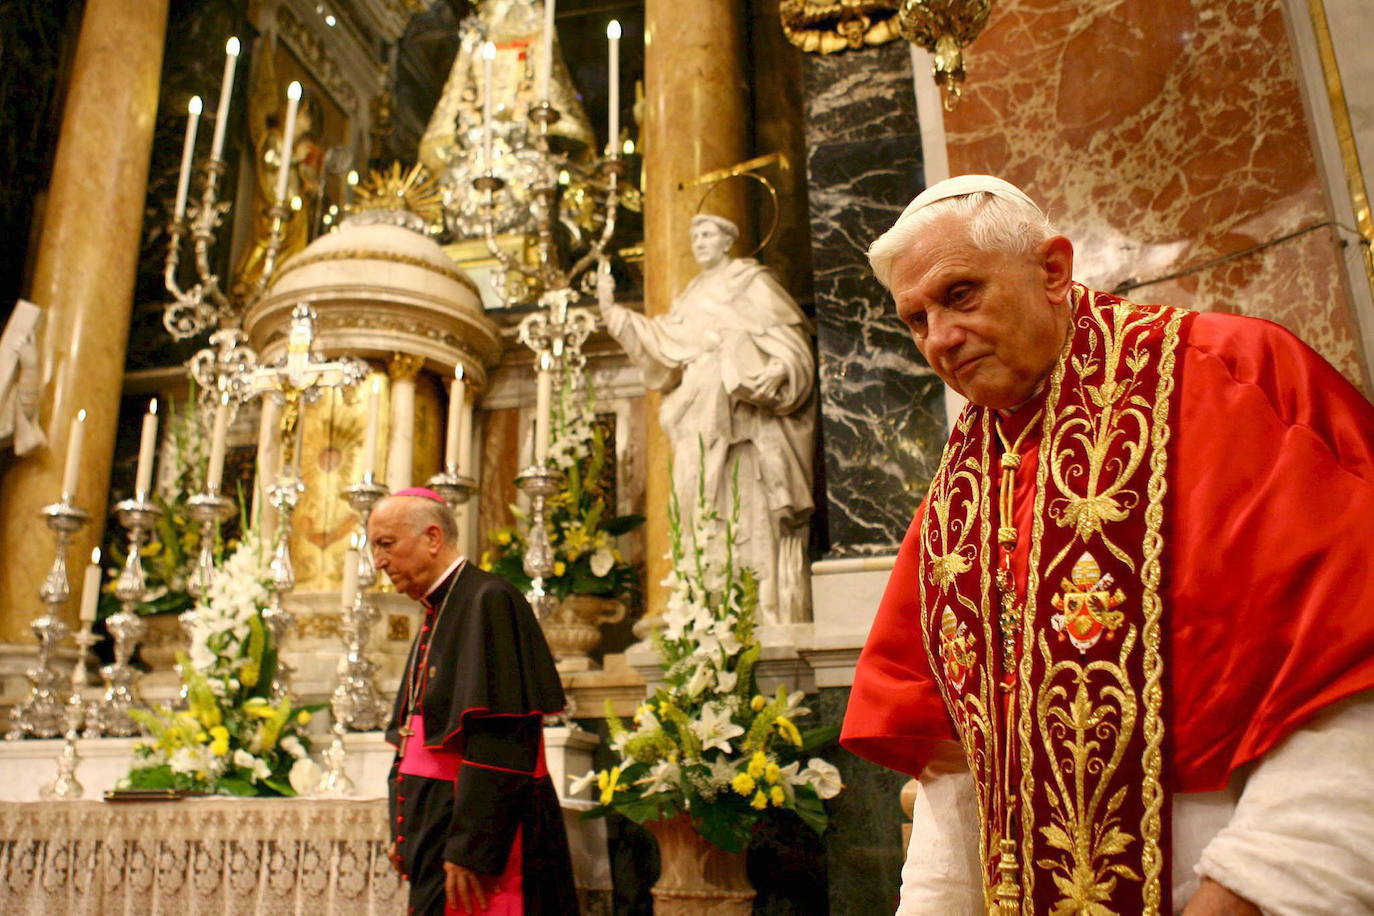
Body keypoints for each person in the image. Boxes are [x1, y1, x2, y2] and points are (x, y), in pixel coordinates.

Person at [841, 175, 1374, 913]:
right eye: (915, 320)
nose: (939, 338)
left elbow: (1351, 664)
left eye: (960, 295)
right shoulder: (954, 498)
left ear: (1054, 271)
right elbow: (961, 767)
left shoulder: (1225, 378)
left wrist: (1260, 886)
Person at [599, 213, 817, 624]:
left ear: (726, 241)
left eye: (707, 234)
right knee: (698, 505)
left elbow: (790, 341)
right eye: (694, 234)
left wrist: (777, 368)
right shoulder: (691, 296)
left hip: (745, 425)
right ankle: (706, 612)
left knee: (745, 505)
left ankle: (757, 607)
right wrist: (614, 313)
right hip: (696, 418)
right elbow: (662, 345)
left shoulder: (751, 284)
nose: (698, 241)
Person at [370, 487, 576, 915]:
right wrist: (404, 830)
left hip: (474, 836)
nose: (379, 561)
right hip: (440, 824)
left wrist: (472, 847)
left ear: (432, 538)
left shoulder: (489, 599)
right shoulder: (438, 609)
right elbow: (413, 733)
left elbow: (503, 737)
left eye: (386, 544)